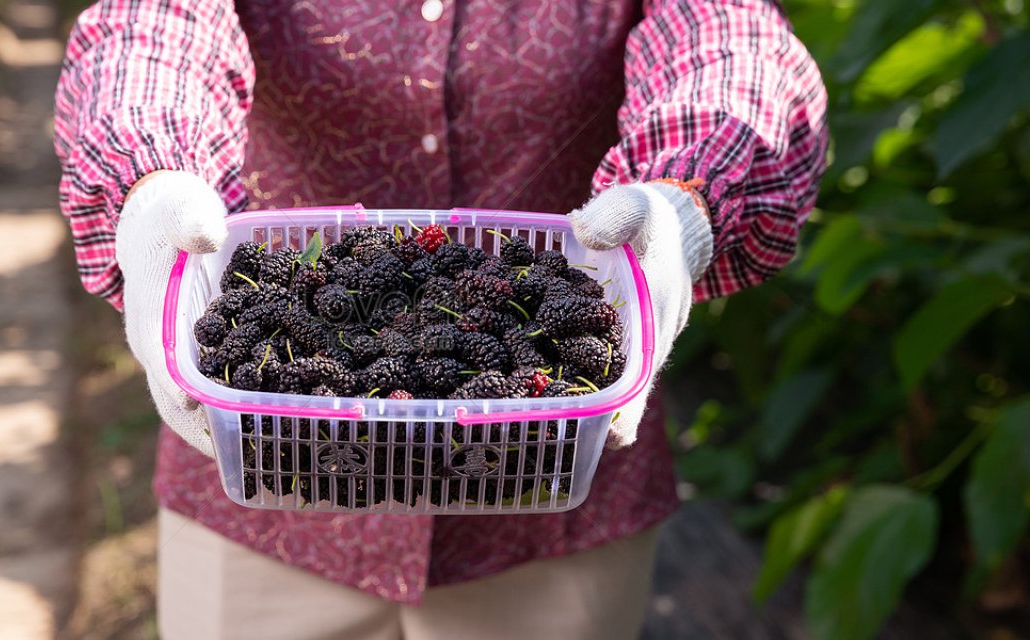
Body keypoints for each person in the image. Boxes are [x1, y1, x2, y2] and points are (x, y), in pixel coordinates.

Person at [53, 1, 827, 637]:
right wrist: (150, 178)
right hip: (265, 479)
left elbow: (727, 40)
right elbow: (152, 31)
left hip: (549, 497)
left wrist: (683, 199)